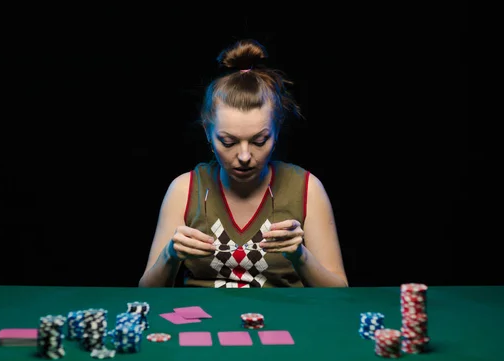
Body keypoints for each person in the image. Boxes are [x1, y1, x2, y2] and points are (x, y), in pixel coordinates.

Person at [139, 39, 348, 288]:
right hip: (206, 322)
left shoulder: (307, 189)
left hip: (286, 322)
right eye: (228, 142)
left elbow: (339, 294)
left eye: (260, 140)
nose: (245, 156)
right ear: (208, 132)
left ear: (276, 130)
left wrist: (299, 255)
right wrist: (170, 255)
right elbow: (147, 293)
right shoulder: (184, 189)